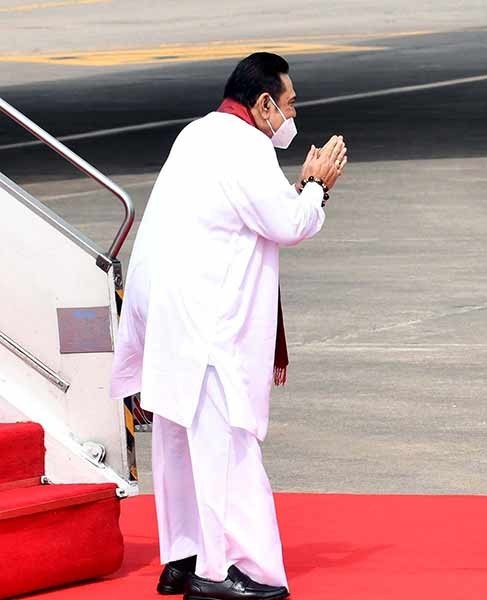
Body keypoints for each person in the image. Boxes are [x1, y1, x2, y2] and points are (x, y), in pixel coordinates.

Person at [110, 52, 347, 599]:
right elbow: (286, 223)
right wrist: (316, 185)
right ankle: (236, 570)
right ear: (263, 105)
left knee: (175, 440)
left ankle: (182, 556)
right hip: (206, 322)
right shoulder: (246, 147)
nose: (291, 116)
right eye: (289, 104)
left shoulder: (195, 135)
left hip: (166, 314)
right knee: (227, 443)